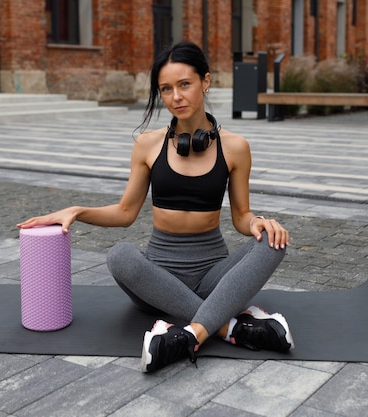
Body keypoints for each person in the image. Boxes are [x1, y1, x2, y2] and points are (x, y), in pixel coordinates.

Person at [17, 41, 294, 373]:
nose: (175, 96)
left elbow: (240, 217)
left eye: (184, 84)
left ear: (205, 82)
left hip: (213, 277)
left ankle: (188, 334)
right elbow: (125, 213)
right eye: (166, 89)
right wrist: (76, 211)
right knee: (120, 255)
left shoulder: (236, 147)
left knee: (273, 243)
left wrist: (259, 224)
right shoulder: (147, 144)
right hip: (156, 279)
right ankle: (230, 326)